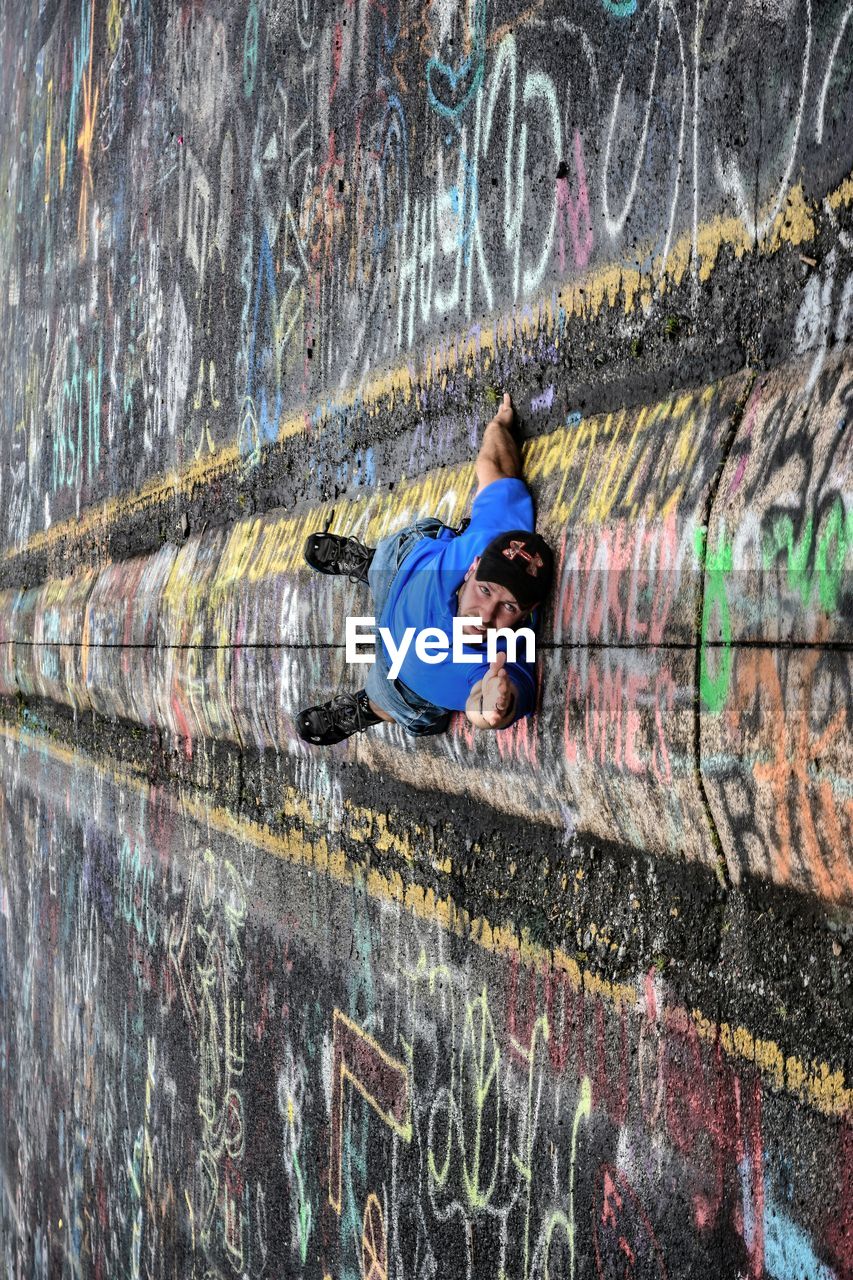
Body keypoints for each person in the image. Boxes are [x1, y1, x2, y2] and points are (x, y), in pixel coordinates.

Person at [295, 392, 554, 745]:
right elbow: (495, 464)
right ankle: (369, 565)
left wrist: (492, 708)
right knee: (394, 553)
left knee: (391, 698)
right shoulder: (496, 535)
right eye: (486, 589)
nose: (487, 614)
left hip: (403, 678)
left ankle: (369, 709)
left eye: (509, 607)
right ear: (473, 567)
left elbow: (493, 703)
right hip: (401, 572)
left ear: (528, 613)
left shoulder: (504, 659)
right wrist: (499, 424)